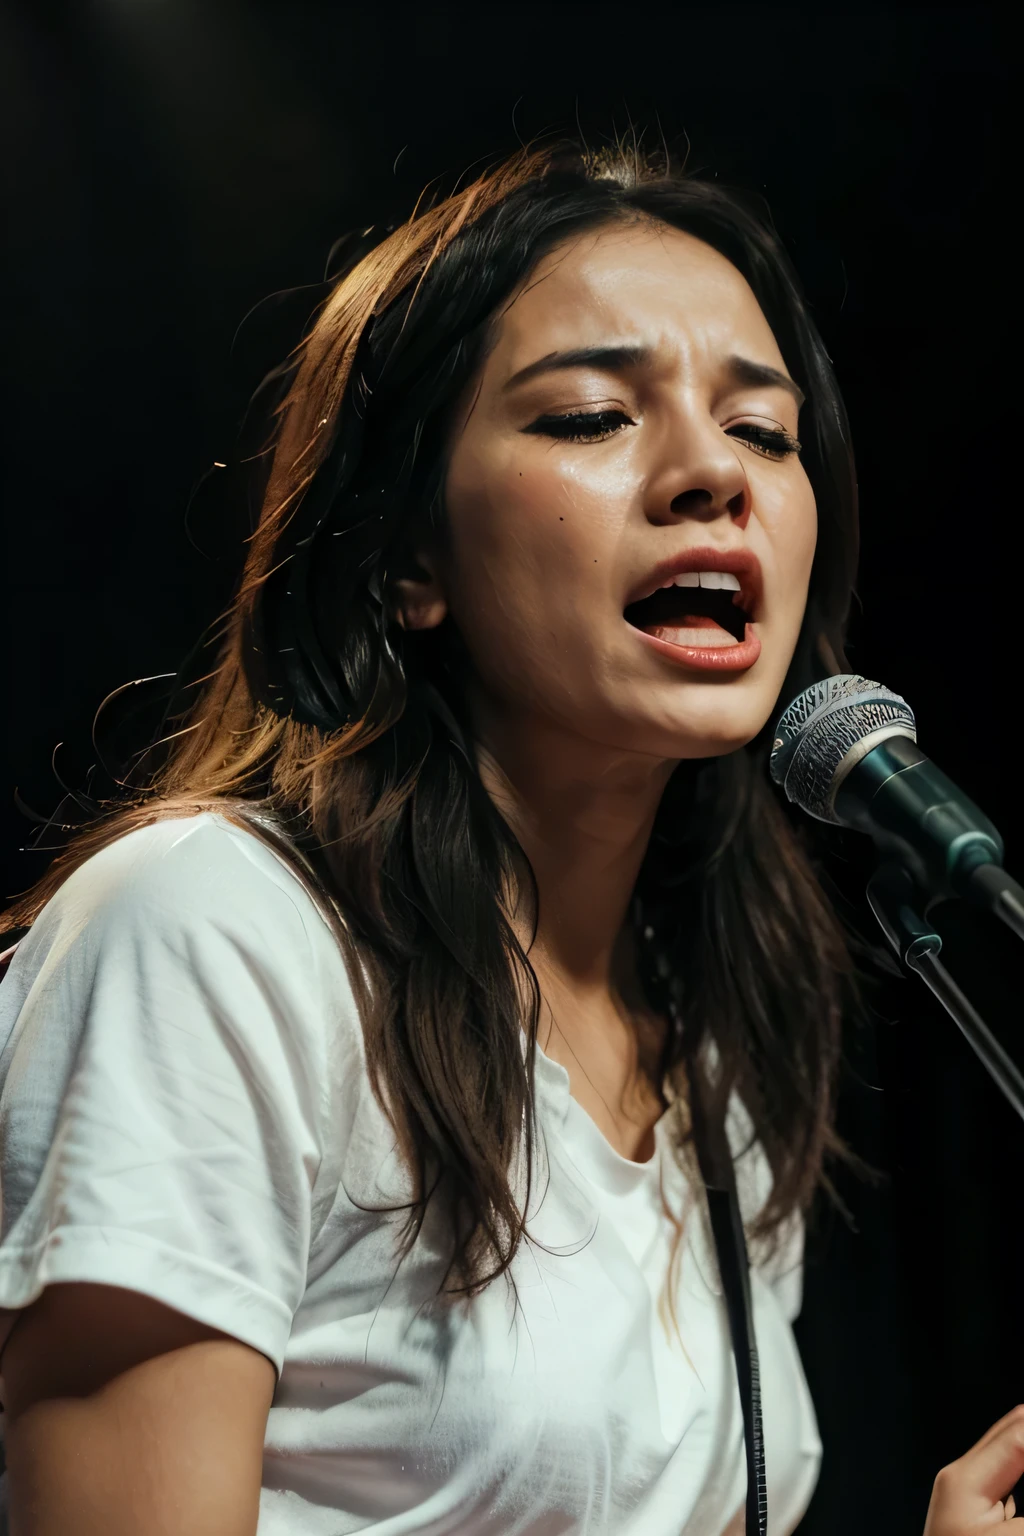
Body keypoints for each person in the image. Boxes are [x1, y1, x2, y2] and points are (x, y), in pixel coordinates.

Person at [0, 140, 1017, 1536]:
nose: (711, 472)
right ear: (407, 556)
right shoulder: (209, 935)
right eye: (595, 415)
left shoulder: (722, 1048)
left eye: (765, 433)